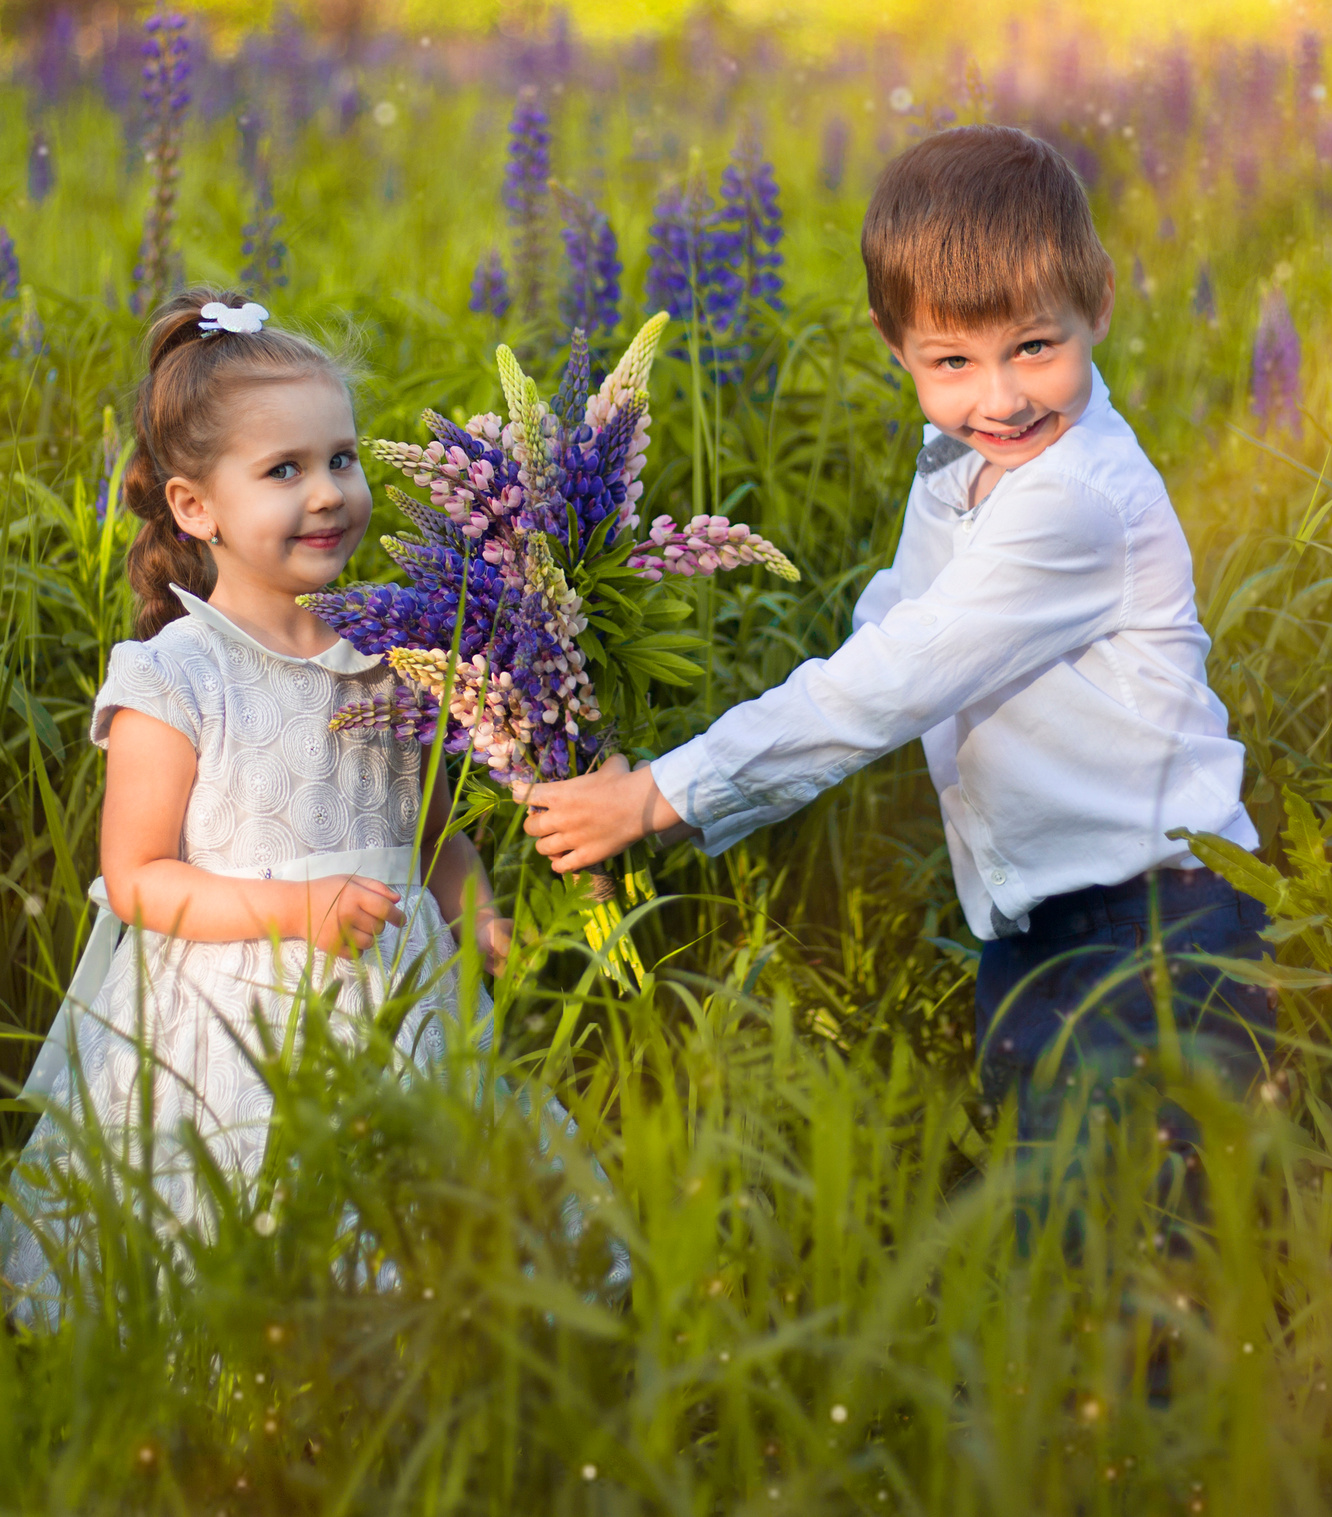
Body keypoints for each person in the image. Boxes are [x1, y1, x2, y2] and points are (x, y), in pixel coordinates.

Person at [522, 125, 1275, 1141]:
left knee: (1133, 1211)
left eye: (1034, 347)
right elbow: (894, 621)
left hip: (1158, 923)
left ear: (1097, 301)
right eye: (952, 359)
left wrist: (660, 794)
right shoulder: (957, 456)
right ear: (894, 344)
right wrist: (690, 790)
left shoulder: (1077, 497)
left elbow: (892, 680)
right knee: (1055, 1205)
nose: (1000, 396)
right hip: (1040, 924)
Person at [0, 290, 558, 1328]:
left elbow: (432, 831)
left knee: (425, 1231)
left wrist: (475, 911)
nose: (329, 491)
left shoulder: (397, 649)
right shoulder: (177, 672)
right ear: (194, 506)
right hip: (234, 1022)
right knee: (251, 1242)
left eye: (340, 457)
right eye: (284, 470)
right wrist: (295, 909)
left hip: (406, 1004)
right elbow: (136, 876)